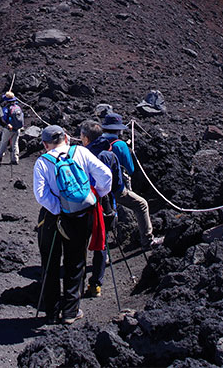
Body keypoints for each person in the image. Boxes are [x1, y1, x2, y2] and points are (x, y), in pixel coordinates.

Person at [33, 125, 112, 325]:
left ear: (45, 144)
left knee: (50, 264)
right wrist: (97, 195)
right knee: (75, 263)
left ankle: (51, 313)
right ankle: (70, 312)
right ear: (67, 138)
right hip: (81, 215)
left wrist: (58, 208)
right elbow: (106, 175)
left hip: (51, 219)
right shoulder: (82, 152)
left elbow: (40, 194)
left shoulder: (42, 162)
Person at [100, 112, 163, 249]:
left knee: (103, 214)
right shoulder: (120, 145)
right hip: (116, 188)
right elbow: (130, 169)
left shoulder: (97, 142)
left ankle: (102, 250)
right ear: (119, 129)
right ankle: (147, 241)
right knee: (141, 205)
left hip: (97, 189)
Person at [79, 119, 122, 298]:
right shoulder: (110, 155)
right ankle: (96, 285)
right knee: (101, 246)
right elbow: (118, 185)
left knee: (79, 245)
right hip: (105, 208)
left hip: (82, 208)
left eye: (81, 136)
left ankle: (77, 285)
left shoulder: (79, 156)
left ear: (87, 139)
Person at [0, 91, 24, 165]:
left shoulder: (6, 109)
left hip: (8, 129)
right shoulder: (18, 108)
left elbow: (3, 119)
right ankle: (15, 159)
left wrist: (3, 126)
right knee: (15, 143)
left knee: (4, 142)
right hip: (17, 128)